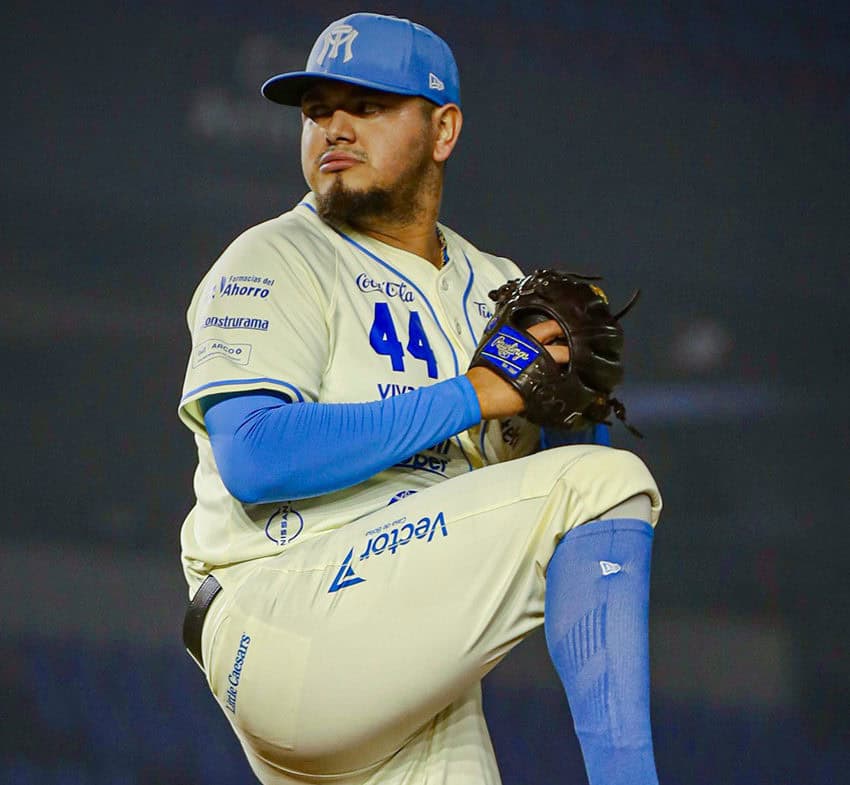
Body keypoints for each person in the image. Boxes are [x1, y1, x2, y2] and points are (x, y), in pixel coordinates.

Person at [178, 12, 663, 785]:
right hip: (284, 615)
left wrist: (572, 416)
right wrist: (475, 395)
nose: (332, 126)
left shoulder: (495, 286)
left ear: (443, 130)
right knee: (606, 490)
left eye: (365, 105)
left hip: (404, 666)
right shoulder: (277, 256)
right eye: (315, 111)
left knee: (597, 479)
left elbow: (554, 502)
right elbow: (255, 456)